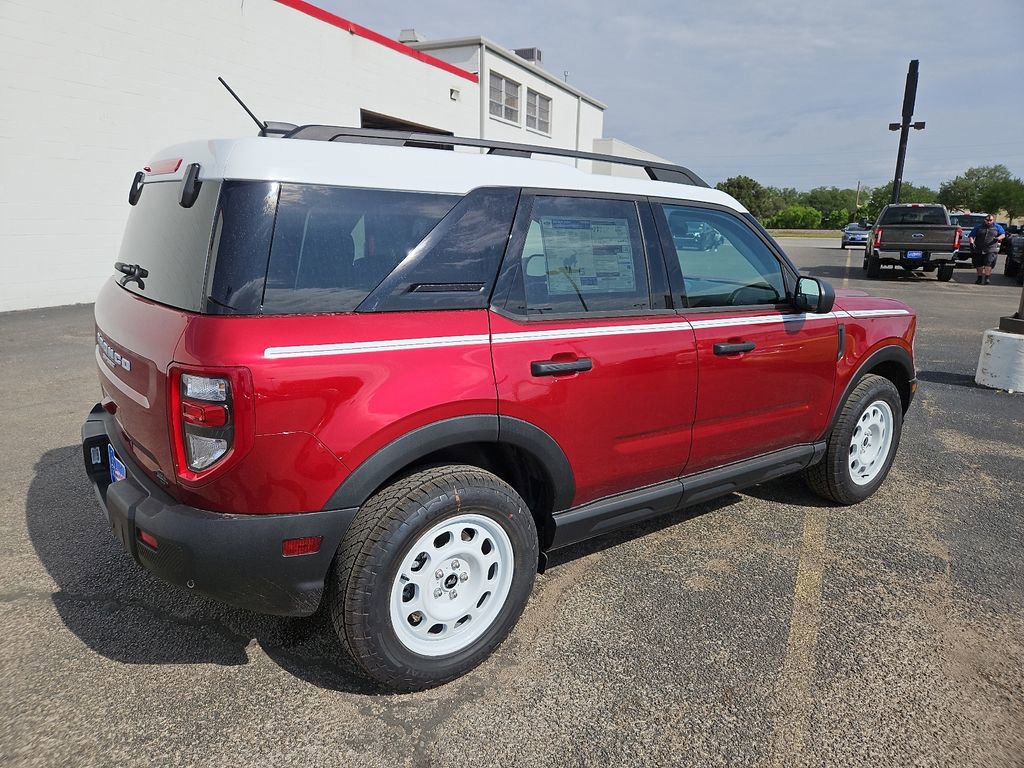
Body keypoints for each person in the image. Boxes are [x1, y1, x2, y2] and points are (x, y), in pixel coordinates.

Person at [968, 215, 1005, 284]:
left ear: (993, 220)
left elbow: (1003, 234)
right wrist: (971, 242)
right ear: (984, 220)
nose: (989, 222)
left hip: (991, 249)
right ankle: (979, 278)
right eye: (987, 220)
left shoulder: (997, 227)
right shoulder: (978, 227)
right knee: (979, 264)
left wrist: (998, 238)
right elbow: (971, 236)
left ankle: (987, 278)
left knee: (988, 263)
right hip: (979, 248)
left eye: (990, 220)